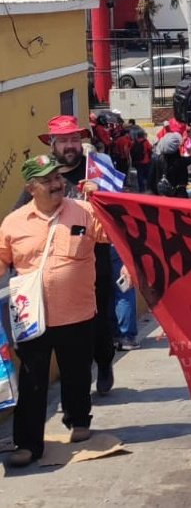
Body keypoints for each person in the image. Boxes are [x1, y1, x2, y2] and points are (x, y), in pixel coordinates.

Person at [0, 156, 112, 467]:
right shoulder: (13, 223)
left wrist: (104, 200)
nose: (56, 184)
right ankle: (28, 444)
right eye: (47, 180)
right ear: (31, 188)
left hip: (77, 312)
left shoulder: (85, 211)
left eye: (57, 178)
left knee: (77, 372)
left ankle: (78, 420)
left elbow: (115, 232)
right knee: (33, 379)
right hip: (32, 318)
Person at [20, 116, 117, 396]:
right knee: (69, 334)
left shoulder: (97, 170)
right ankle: (78, 387)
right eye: (63, 140)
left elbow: (120, 214)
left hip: (95, 265)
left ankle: (105, 362)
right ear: (52, 144)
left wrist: (102, 195)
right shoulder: (44, 176)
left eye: (75, 139)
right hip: (55, 269)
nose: (70, 145)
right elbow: (19, 214)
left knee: (98, 324)